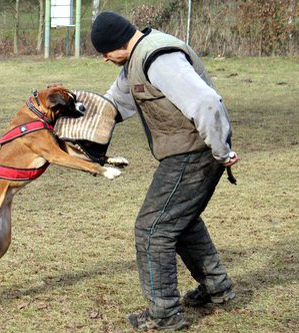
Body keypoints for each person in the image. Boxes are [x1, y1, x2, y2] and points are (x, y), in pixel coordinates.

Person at [90, 12, 239, 331]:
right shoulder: (133, 61)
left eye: (104, 52)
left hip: (194, 152)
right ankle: (217, 287)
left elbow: (207, 102)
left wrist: (221, 150)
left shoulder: (158, 57)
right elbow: (113, 104)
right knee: (180, 221)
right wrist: (70, 117)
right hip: (187, 151)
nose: (103, 59)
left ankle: (164, 314)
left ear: (118, 43)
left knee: (153, 228)